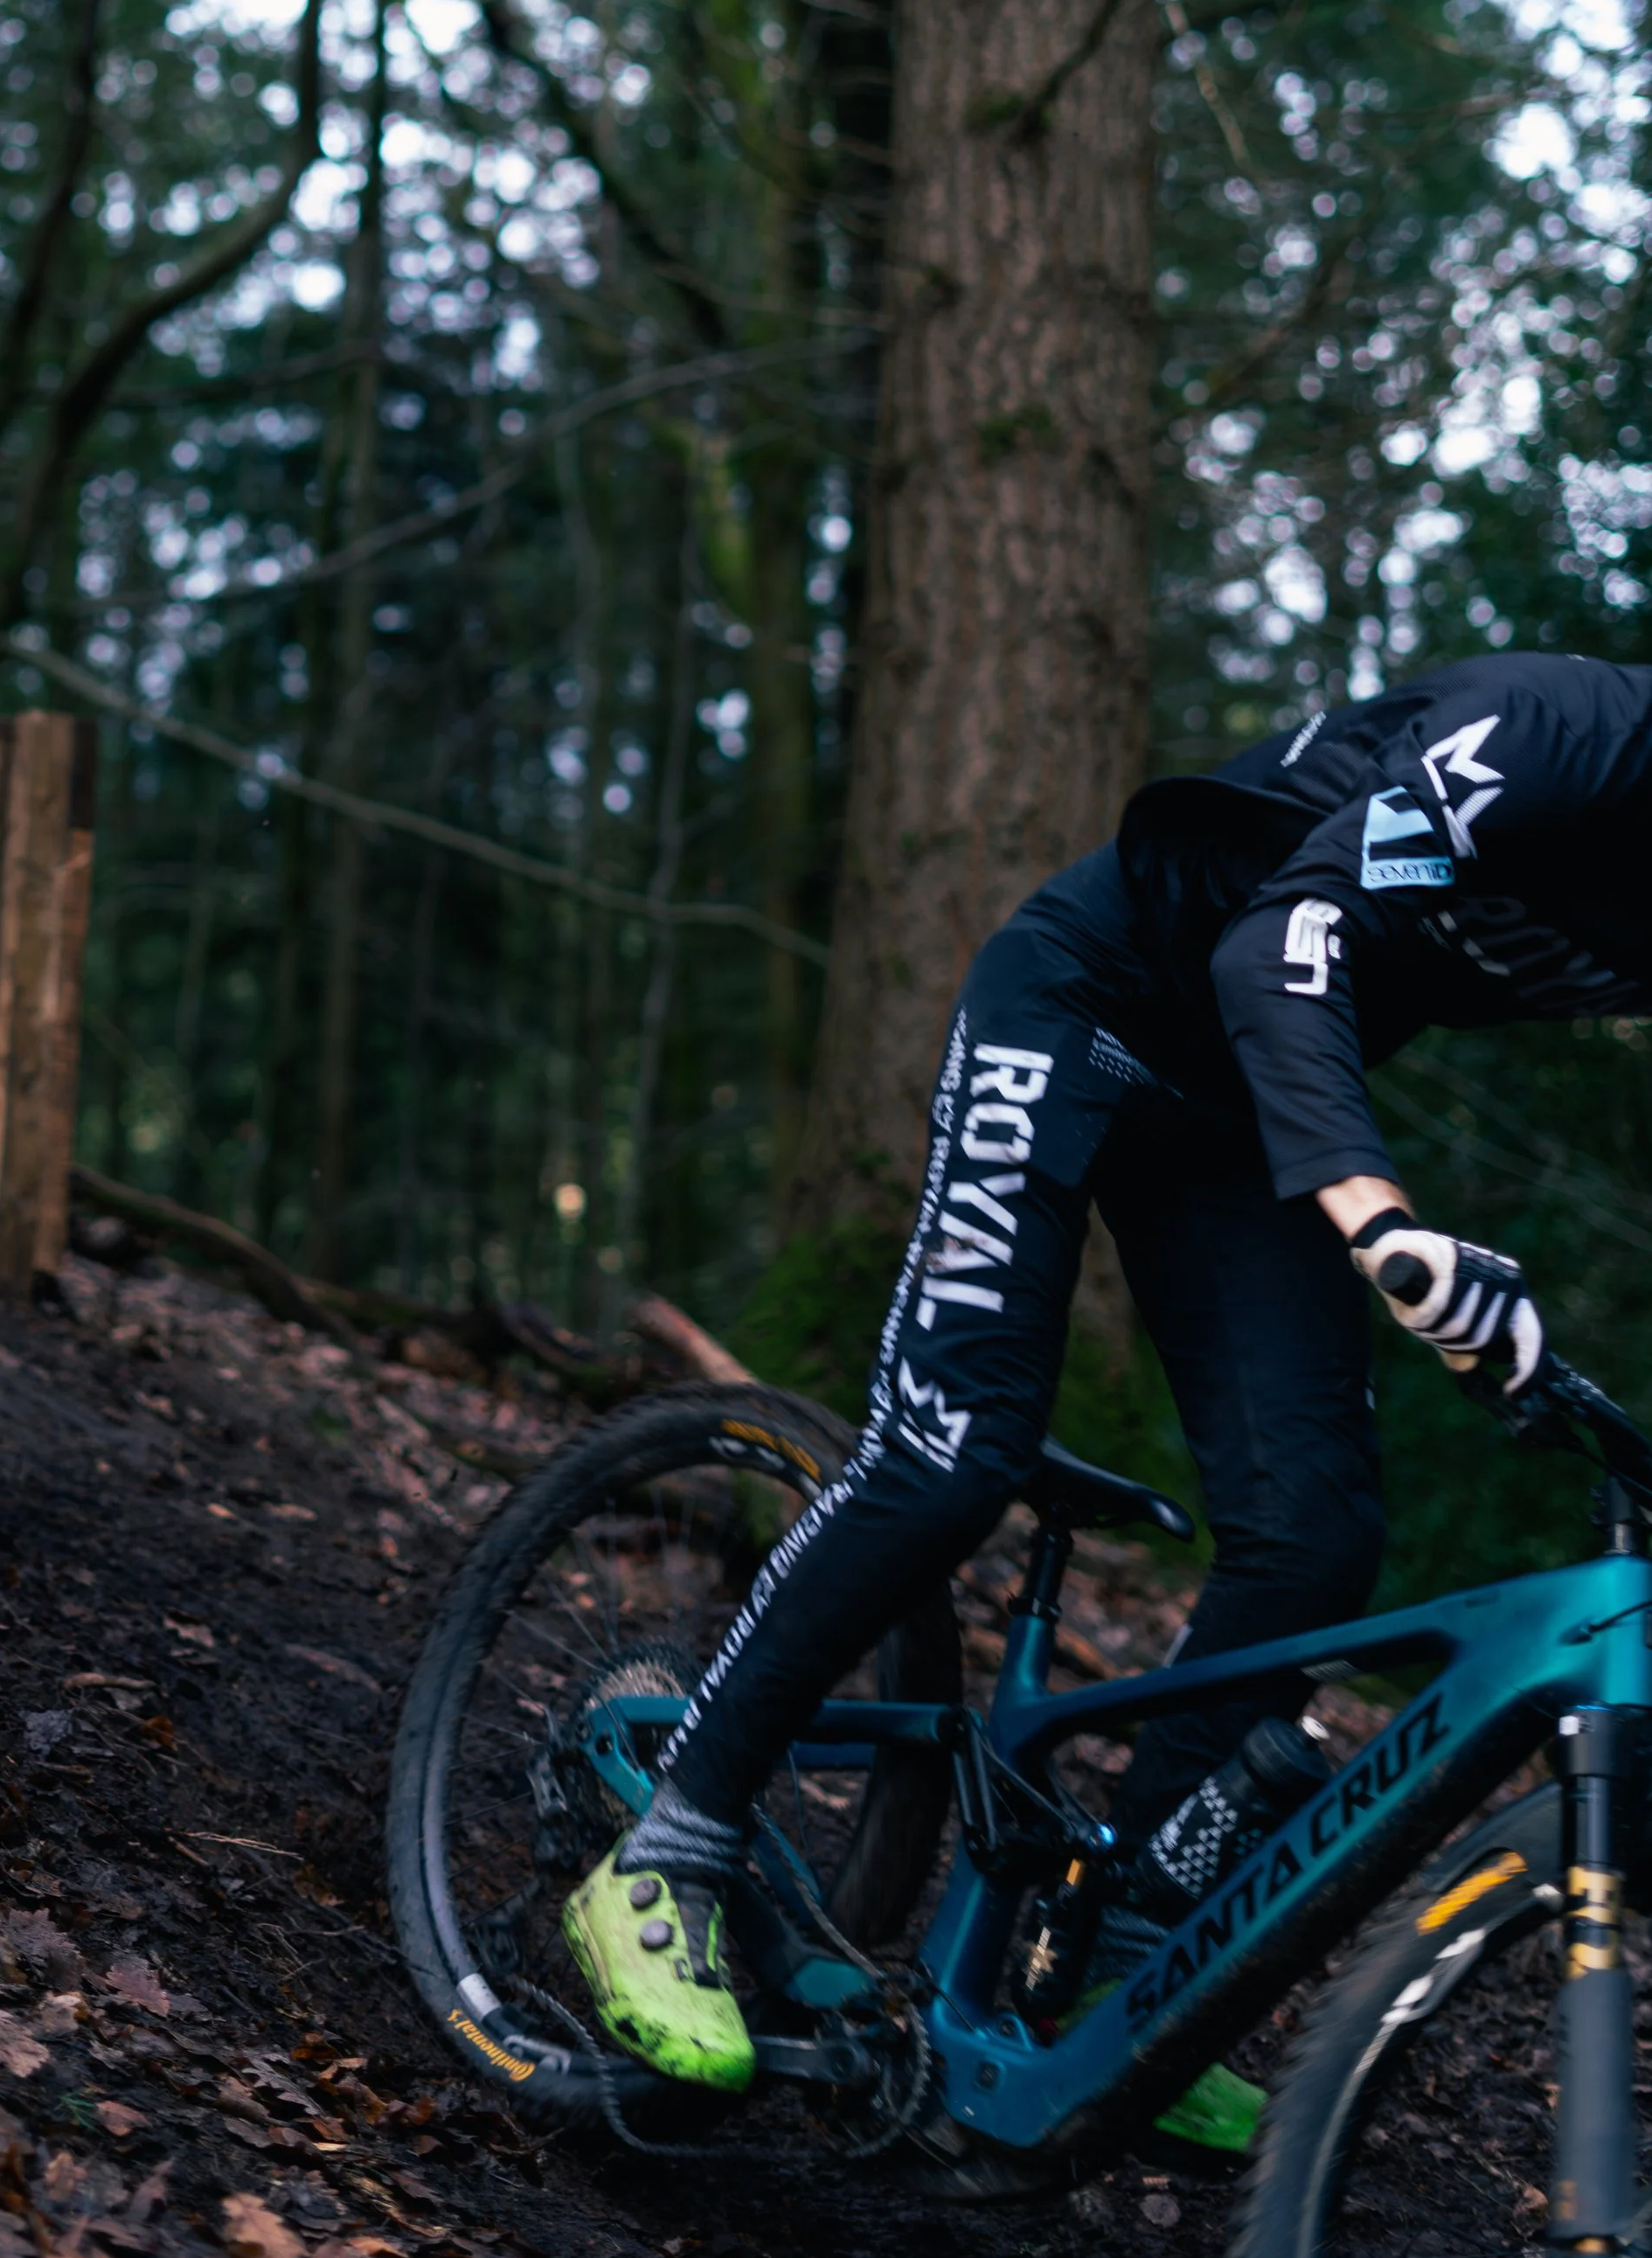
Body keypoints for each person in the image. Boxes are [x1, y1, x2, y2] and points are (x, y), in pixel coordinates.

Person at [563, 651, 1640, 2125]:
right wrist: (1381, 1219)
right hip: (1084, 992)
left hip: (1232, 1107)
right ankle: (670, 1843)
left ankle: (1121, 1956)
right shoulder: (1562, 728)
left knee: (1316, 1533)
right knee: (959, 1443)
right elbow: (1285, 942)